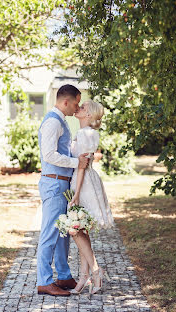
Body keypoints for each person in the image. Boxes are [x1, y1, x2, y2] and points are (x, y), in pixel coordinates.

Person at [37, 84, 89, 296]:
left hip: (62, 183)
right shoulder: (52, 122)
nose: (77, 107)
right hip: (54, 182)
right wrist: (76, 162)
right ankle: (44, 281)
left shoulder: (62, 122)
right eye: (76, 103)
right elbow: (49, 155)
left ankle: (64, 276)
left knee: (63, 234)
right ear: (65, 102)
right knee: (50, 233)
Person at [68, 99, 115, 295]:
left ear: (88, 115)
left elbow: (82, 166)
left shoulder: (84, 133)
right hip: (84, 180)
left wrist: (76, 194)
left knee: (76, 229)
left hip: (83, 182)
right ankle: (83, 276)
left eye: (84, 107)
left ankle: (95, 271)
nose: (79, 107)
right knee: (81, 230)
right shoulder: (88, 133)